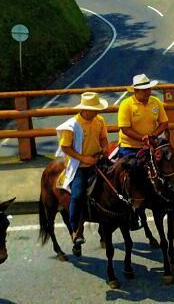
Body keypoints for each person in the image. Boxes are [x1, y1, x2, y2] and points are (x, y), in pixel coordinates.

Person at [55, 92, 110, 249]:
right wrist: (82, 158)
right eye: (94, 109)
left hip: (97, 161)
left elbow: (103, 137)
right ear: (85, 109)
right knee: (78, 194)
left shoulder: (99, 120)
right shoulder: (72, 126)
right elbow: (65, 147)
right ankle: (75, 229)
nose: (96, 112)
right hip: (79, 166)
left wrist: (105, 147)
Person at [115, 74, 169, 159]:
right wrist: (143, 138)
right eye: (144, 90)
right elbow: (125, 129)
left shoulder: (156, 102)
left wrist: (153, 135)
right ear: (136, 91)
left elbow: (164, 122)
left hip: (152, 144)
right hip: (130, 146)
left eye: (149, 89)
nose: (148, 92)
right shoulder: (126, 104)